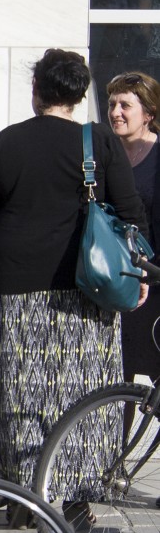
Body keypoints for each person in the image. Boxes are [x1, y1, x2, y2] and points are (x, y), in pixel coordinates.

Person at [0, 47, 147, 514]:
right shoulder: (100, 142)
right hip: (86, 289)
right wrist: (138, 274)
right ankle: (74, 498)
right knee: (86, 389)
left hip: (17, 285)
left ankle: (24, 498)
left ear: (37, 92)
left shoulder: (6, 142)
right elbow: (131, 215)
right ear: (81, 94)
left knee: (23, 391)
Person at [107, 70, 160, 383]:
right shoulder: (103, 155)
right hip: (111, 278)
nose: (115, 112)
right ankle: (119, 435)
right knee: (117, 374)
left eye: (125, 105)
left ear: (149, 114)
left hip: (152, 280)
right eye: (112, 103)